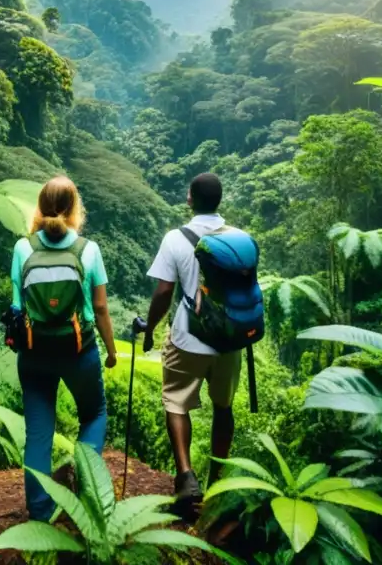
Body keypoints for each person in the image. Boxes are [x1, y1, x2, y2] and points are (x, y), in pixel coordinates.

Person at [10, 175, 117, 521]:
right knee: (95, 414)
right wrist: (111, 350)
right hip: (78, 351)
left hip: (34, 351)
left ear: (40, 207)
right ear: (74, 209)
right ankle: (87, 491)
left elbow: (16, 306)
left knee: (39, 431)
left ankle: (41, 513)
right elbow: (100, 309)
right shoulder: (88, 249)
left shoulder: (23, 247)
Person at [142, 172, 242, 513]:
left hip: (187, 338)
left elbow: (165, 292)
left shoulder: (174, 238)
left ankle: (186, 478)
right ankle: (217, 484)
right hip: (229, 340)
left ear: (190, 199)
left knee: (176, 402)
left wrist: (150, 327)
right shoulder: (238, 237)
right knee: (223, 407)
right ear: (220, 200)